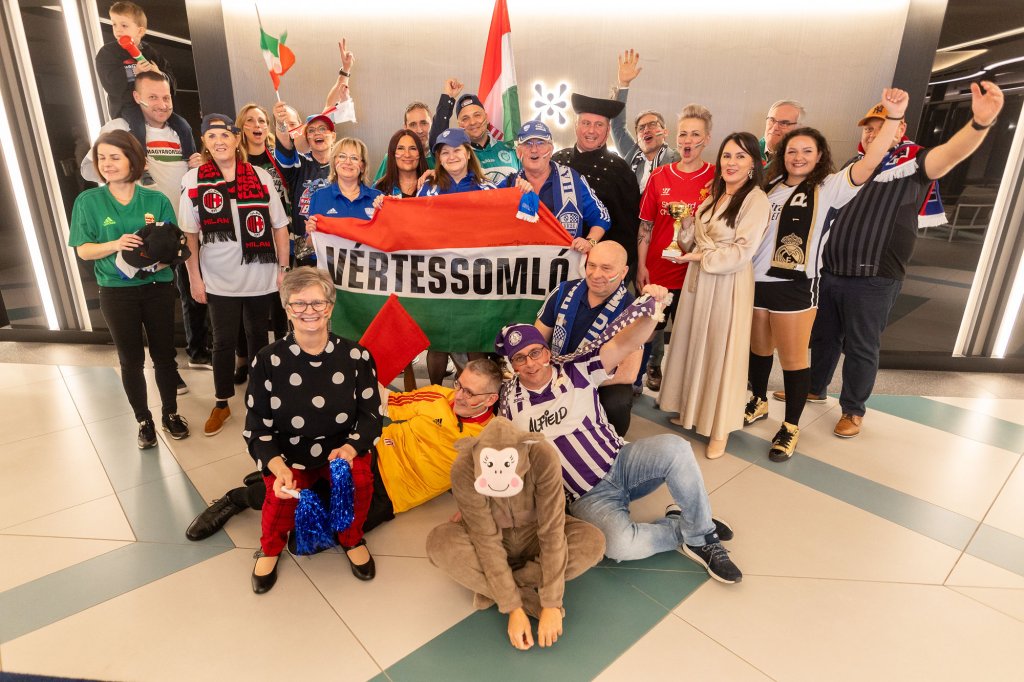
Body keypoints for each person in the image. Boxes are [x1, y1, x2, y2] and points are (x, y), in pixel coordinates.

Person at [497, 295, 743, 584]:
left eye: (535, 352)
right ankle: (689, 526)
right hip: (586, 496)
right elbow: (501, 452)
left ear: (547, 352)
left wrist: (653, 309)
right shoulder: (508, 402)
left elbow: (624, 344)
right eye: (520, 358)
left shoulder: (576, 368)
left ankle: (702, 537)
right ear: (513, 365)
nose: (530, 363)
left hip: (622, 462)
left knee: (676, 448)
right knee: (620, 547)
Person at [808, 81, 1004, 439]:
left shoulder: (913, 163)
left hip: (875, 277)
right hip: (833, 271)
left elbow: (949, 154)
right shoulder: (854, 165)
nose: (872, 134)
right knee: (824, 338)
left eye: (880, 128)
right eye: (868, 129)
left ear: (900, 129)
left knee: (861, 347)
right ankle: (815, 389)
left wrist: (979, 124)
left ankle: (852, 410)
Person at [745, 89, 911, 461]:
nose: (798, 156)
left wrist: (893, 117)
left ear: (820, 155)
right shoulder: (769, 187)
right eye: (792, 150)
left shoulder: (830, 187)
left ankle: (790, 426)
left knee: (793, 359)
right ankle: (757, 400)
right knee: (759, 349)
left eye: (807, 150)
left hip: (795, 285)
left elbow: (871, 160)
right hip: (756, 282)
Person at [186, 360, 502, 541]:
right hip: (374, 456)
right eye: (459, 384)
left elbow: (495, 484)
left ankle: (270, 483)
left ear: (490, 399)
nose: (459, 396)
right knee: (303, 486)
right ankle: (238, 499)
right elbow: (387, 401)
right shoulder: (438, 397)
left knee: (321, 534)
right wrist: (353, 375)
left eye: (469, 392)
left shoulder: (493, 438)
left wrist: (474, 510)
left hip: (393, 495)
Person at [246, 267, 382, 593]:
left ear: (330, 308)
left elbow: (371, 417)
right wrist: (278, 468)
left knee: (359, 483)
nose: (309, 311)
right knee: (279, 498)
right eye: (299, 303)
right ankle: (270, 547)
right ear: (287, 309)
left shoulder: (357, 356)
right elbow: (257, 428)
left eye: (318, 303)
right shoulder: (267, 360)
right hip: (288, 452)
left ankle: (351, 537)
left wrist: (350, 449)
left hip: (341, 449)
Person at [426, 417, 606, 651]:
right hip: (490, 538)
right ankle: (522, 593)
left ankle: (495, 588)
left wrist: (551, 603)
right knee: (439, 544)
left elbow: (552, 531)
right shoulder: (463, 467)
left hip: (535, 533)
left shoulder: (542, 455)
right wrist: (515, 608)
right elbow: (485, 539)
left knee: (593, 542)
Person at [81, 72, 209, 381]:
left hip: (183, 226)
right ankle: (167, 372)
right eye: (153, 97)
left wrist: (199, 165)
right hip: (146, 233)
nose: (162, 104)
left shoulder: (180, 130)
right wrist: (130, 174)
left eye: (166, 97)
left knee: (191, 293)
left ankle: (196, 352)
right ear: (137, 97)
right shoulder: (120, 127)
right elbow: (90, 168)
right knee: (154, 303)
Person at [69, 130, 189, 448]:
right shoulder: (88, 201)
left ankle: (170, 414)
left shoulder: (156, 200)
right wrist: (116, 244)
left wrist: (154, 263)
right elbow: (83, 250)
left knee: (165, 356)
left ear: (133, 160)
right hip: (115, 291)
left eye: (115, 157)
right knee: (130, 360)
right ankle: (144, 421)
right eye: (102, 158)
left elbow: (174, 246)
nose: (107, 164)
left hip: (157, 287)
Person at [659, 132, 770, 459]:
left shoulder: (755, 200)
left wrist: (698, 257)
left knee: (722, 349)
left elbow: (743, 251)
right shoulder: (713, 196)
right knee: (695, 342)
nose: (731, 162)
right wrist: (686, 224)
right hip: (699, 280)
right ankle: (692, 410)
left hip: (727, 283)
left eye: (740, 156)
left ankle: (720, 426)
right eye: (727, 155)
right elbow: (692, 240)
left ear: (753, 163)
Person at [179, 114, 290, 437]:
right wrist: (195, 278)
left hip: (260, 273)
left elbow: (280, 226)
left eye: (225, 135)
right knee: (223, 341)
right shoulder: (194, 180)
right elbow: (189, 235)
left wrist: (283, 269)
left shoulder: (260, 176)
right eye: (212, 136)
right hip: (219, 277)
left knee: (258, 337)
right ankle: (222, 402)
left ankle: (260, 398)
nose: (219, 141)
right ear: (205, 142)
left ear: (236, 138)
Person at [636, 104, 715, 393]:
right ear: (675, 137)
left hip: (695, 274)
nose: (688, 140)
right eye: (683, 134)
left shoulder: (716, 178)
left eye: (695, 134)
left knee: (689, 336)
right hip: (658, 271)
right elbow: (645, 226)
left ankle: (684, 392)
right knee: (648, 330)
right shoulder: (660, 176)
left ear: (706, 139)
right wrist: (642, 266)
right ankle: (636, 379)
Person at [534, 241, 640, 437]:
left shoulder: (631, 310)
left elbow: (629, 373)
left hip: (601, 380)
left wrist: (576, 381)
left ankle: (610, 445)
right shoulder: (564, 290)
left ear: (624, 272)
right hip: (557, 371)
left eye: (606, 268)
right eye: (591, 265)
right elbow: (536, 340)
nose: (596, 274)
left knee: (617, 403)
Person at [417, 127, 496, 385]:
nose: (451, 156)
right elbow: (414, 225)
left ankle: (476, 391)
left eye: (457, 150)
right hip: (438, 274)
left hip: (476, 275)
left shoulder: (488, 188)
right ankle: (435, 394)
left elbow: (501, 228)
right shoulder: (428, 188)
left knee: (474, 339)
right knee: (438, 340)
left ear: (468, 153)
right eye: (444, 152)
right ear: (438, 158)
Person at [233, 103, 291, 382]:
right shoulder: (234, 161)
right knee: (244, 304)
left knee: (280, 302)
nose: (257, 126)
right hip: (246, 242)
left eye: (261, 121)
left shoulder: (278, 157)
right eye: (250, 121)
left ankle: (280, 357)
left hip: (279, 237)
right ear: (241, 127)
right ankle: (243, 358)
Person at [552, 94, 642, 274]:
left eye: (599, 125)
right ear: (576, 126)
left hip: (600, 268)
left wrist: (615, 267)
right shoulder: (557, 161)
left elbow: (629, 228)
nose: (591, 130)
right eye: (585, 123)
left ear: (607, 131)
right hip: (556, 262)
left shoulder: (620, 169)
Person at [503, 120, 609, 253]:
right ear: (519, 152)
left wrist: (590, 242)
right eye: (527, 144)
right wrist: (511, 196)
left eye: (541, 143)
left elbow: (602, 216)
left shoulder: (572, 179)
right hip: (521, 262)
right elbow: (482, 204)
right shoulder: (509, 183)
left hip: (563, 262)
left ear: (551, 149)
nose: (534, 150)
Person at [272, 104, 336, 260]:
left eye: (322, 129)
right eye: (311, 130)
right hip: (305, 252)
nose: (317, 133)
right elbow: (286, 153)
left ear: (333, 136)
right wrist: (281, 125)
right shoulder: (300, 164)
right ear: (307, 138)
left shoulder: (343, 166)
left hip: (336, 249)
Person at [611, 49, 680, 191]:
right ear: (638, 137)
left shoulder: (678, 158)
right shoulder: (632, 153)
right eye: (641, 128)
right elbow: (617, 126)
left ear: (665, 132)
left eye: (652, 124)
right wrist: (623, 85)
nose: (646, 129)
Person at [428, 79, 520, 184]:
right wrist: (448, 97)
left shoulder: (509, 148)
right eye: (465, 118)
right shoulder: (456, 156)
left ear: (486, 117)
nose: (472, 122)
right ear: (460, 125)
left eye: (477, 115)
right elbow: (436, 142)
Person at [94, 1, 175, 118]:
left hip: (156, 107)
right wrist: (133, 71)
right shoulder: (107, 53)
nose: (118, 30)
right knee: (138, 127)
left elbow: (170, 78)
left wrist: (159, 74)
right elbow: (109, 81)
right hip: (127, 108)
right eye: (114, 24)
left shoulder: (151, 52)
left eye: (124, 25)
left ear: (140, 31)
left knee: (181, 125)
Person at [306, 137, 383, 231]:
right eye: (342, 156)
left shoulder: (377, 198)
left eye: (354, 158)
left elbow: (385, 235)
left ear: (363, 166)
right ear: (334, 162)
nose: (348, 162)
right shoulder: (319, 196)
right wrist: (310, 231)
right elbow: (312, 238)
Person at [372, 102, 435, 183]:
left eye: (424, 123)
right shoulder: (392, 157)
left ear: (432, 124)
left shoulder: (442, 157)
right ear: (405, 128)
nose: (419, 130)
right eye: (413, 125)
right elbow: (377, 188)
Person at [374, 129, 429, 198]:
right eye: (400, 148)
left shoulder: (434, 186)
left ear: (420, 153)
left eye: (412, 148)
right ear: (392, 154)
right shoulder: (379, 188)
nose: (407, 155)